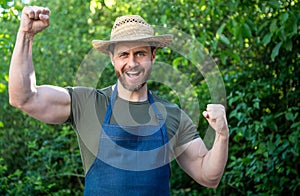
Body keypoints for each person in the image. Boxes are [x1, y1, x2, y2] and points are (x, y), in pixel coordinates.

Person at [9, 6, 229, 195]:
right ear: (112, 58)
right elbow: (24, 97)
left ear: (153, 56)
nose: (132, 63)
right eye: (124, 54)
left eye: (140, 53)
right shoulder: (87, 103)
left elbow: (208, 176)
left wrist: (221, 135)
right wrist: (26, 35)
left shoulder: (172, 115)